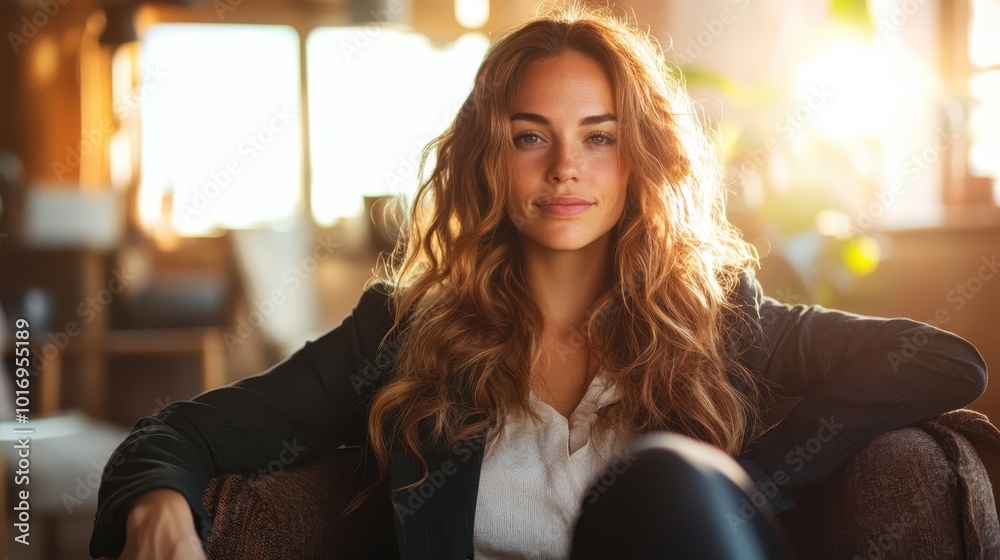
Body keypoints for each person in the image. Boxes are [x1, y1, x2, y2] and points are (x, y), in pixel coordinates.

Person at [89, 5, 987, 560]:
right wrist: (161, 507)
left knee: (670, 480)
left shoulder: (720, 317)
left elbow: (942, 364)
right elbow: (175, 434)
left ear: (638, 161)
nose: (566, 167)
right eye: (531, 135)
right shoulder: (405, 335)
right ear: (491, 158)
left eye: (598, 136)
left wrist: (748, 477)